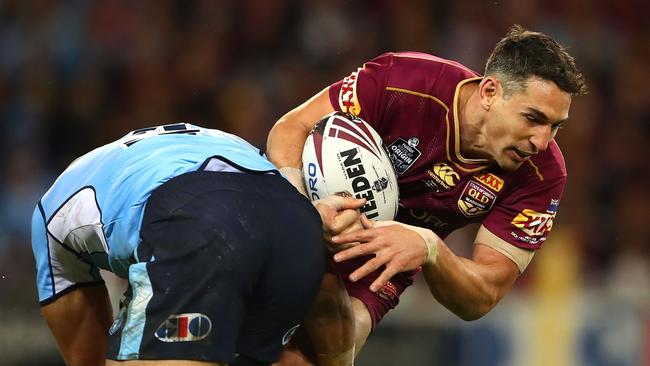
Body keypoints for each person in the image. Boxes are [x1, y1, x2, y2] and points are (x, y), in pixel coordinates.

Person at [267, 25, 587, 364]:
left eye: (555, 126)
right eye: (533, 118)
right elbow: (291, 128)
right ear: (490, 92)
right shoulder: (405, 81)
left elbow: (483, 294)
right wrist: (307, 210)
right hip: (305, 208)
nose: (541, 141)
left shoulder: (543, 174)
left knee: (310, 358)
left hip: (381, 268)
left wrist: (430, 248)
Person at [31, 123, 364, 366]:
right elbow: (326, 295)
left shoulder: (49, 214)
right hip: (295, 218)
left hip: (198, 214)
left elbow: (85, 354)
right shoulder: (225, 140)